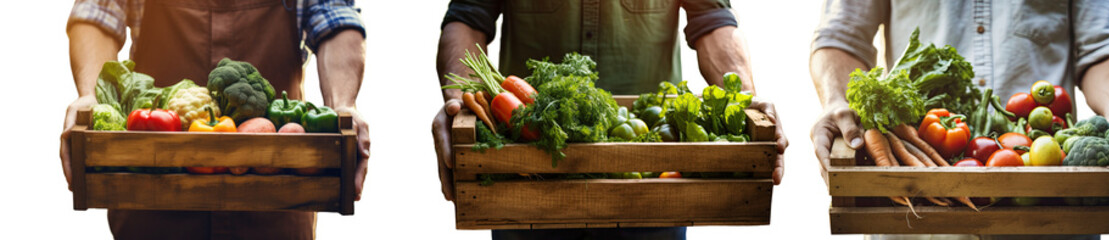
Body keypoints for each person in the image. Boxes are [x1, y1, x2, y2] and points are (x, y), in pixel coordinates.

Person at [432, 0, 787, 239]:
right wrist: (459, 100)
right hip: (528, 174)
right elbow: (467, 16)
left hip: (654, 187)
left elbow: (713, 21)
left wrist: (743, 99)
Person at [810, 1, 1109, 239]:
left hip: (1047, 209)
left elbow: (1102, 46)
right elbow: (842, 36)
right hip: (917, 214)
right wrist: (836, 101)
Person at [59, 0, 371, 239]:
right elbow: (96, 14)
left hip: (274, 203)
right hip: (152, 203)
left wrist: (344, 105)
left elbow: (336, 19)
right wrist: (90, 95)